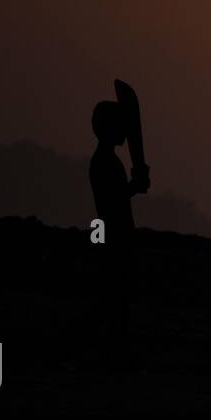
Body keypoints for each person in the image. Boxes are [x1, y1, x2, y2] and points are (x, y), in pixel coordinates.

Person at [89, 100, 150, 369]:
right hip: (113, 236)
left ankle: (113, 349)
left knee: (117, 297)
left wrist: (134, 186)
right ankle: (111, 352)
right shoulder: (104, 162)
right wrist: (134, 187)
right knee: (115, 297)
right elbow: (112, 199)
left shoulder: (108, 160)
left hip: (117, 234)